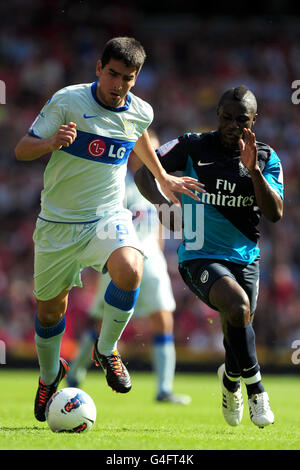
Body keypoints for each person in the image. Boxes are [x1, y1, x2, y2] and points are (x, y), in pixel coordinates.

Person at [14, 37, 203, 423]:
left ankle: (107, 349)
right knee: (51, 312)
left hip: (105, 216)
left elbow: (138, 138)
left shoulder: (140, 111)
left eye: (127, 78)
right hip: (57, 223)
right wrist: (51, 142)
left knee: (131, 268)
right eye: (112, 74)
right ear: (99, 68)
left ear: (136, 78)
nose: (118, 84)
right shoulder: (67, 100)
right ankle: (50, 377)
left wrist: (163, 177)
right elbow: (21, 149)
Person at [134, 85, 284, 428]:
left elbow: (274, 213)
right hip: (199, 255)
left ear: (253, 121)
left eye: (241, 120)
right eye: (226, 118)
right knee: (237, 307)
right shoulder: (192, 145)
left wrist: (254, 172)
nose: (232, 125)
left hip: (246, 257)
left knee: (238, 326)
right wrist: (163, 202)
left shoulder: (265, 157)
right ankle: (257, 391)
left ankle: (230, 381)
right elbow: (144, 170)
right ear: (217, 115)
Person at [67, 130, 191, 405]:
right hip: (120, 259)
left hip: (152, 261)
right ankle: (74, 374)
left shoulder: (157, 183)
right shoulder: (118, 184)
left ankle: (164, 389)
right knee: (101, 323)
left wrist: (159, 252)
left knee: (164, 320)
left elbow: (159, 223)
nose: (154, 157)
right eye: (149, 151)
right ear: (134, 152)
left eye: (157, 152)